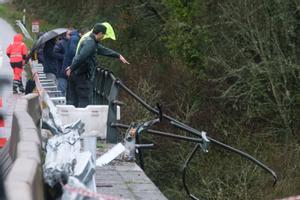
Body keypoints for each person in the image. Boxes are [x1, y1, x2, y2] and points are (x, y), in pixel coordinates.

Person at [66, 23, 129, 108]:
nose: (103, 37)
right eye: (103, 35)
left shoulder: (91, 41)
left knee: (74, 100)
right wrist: (71, 68)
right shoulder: (90, 43)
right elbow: (81, 56)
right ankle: (83, 120)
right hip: (81, 76)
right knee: (84, 101)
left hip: (78, 74)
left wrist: (118, 55)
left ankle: (74, 119)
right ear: (100, 33)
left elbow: (103, 50)